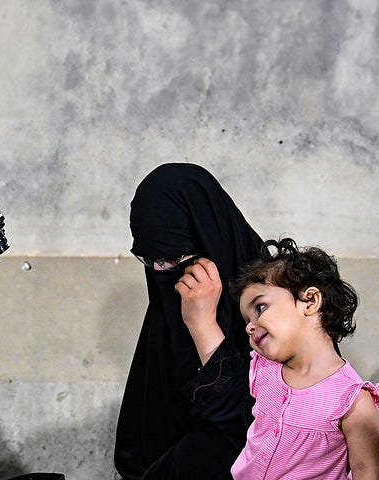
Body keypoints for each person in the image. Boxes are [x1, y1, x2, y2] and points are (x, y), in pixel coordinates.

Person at [115, 163, 262, 479]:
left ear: (209, 239)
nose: (160, 271)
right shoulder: (169, 284)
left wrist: (204, 326)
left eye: (172, 261)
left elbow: (260, 424)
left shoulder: (275, 297)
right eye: (148, 260)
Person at [227, 238, 379, 480]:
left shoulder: (351, 401)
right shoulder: (264, 370)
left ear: (310, 301)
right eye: (247, 321)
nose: (249, 327)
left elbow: (367, 473)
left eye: (259, 308)